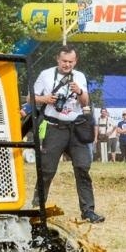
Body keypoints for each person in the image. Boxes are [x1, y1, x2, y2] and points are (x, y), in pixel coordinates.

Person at [32, 45, 103, 222]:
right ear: (57, 59)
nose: (67, 65)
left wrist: (79, 91)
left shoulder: (80, 76)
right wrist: (45, 99)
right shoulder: (45, 74)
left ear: (75, 61)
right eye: (64, 61)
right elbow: (30, 98)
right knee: (47, 170)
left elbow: (86, 101)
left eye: (71, 62)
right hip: (54, 127)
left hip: (77, 127)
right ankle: (36, 209)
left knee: (82, 168)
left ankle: (88, 211)